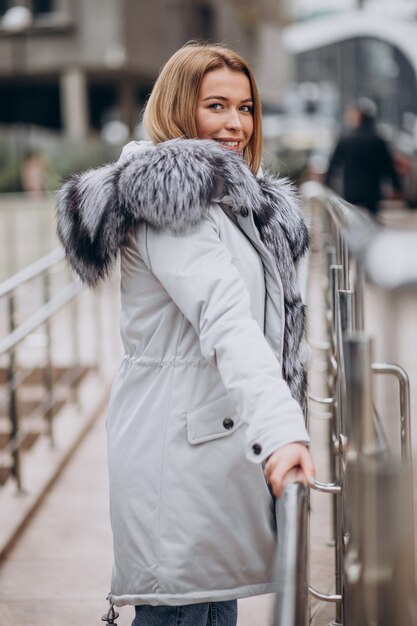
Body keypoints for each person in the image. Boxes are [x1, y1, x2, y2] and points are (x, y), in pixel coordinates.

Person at [56, 43, 315, 626]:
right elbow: (228, 319)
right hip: (179, 464)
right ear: (177, 108)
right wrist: (281, 431)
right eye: (216, 105)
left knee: (210, 604)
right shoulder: (169, 203)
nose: (236, 124)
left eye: (246, 108)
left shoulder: (223, 205)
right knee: (182, 609)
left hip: (210, 457)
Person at [325, 98, 402, 216]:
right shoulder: (378, 140)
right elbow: (388, 166)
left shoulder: (346, 139)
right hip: (373, 192)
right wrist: (397, 187)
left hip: (351, 191)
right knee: (372, 223)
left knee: (352, 222)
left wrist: (327, 184)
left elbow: (333, 165)